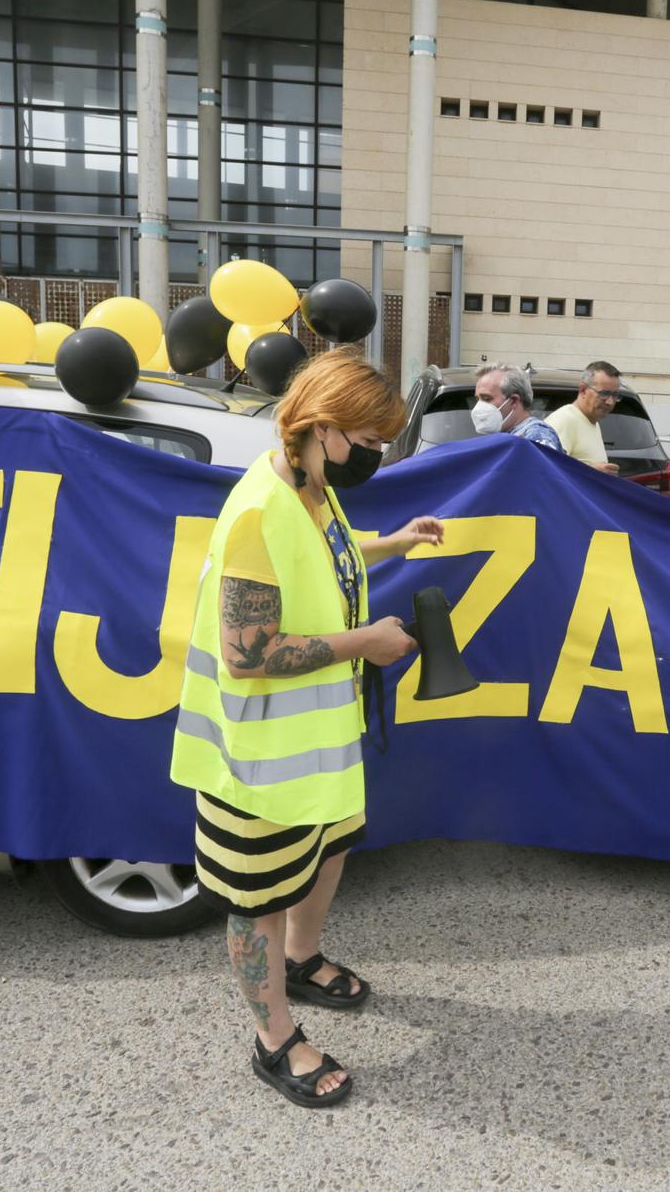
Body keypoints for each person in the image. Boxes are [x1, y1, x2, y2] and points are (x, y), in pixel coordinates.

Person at [170, 347, 445, 1107]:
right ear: (322, 427)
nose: (378, 455)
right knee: (254, 897)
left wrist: (394, 542)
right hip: (255, 758)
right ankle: (273, 1038)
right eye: (369, 441)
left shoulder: (311, 483)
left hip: (316, 745)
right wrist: (369, 643)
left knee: (329, 851)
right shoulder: (262, 508)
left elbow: (328, 558)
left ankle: (302, 956)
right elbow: (248, 652)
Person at [545, 360, 621, 473]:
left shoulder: (592, 421)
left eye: (615, 395)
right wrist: (592, 472)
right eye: (604, 394)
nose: (610, 402)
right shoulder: (565, 419)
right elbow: (547, 469)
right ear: (583, 390)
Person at [471, 363, 562, 452]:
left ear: (514, 401)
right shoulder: (503, 435)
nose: (479, 406)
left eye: (487, 399)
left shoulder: (536, 436)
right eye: (477, 399)